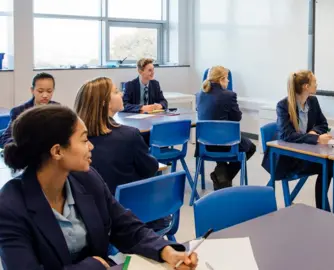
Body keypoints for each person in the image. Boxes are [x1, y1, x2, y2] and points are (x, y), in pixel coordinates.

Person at [0, 105, 198, 269]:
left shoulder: (87, 178)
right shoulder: (10, 205)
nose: (91, 146)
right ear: (57, 151)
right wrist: (92, 266)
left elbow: (125, 226)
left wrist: (165, 250)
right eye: (84, 140)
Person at [261, 70, 334, 212]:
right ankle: (332, 204)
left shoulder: (313, 101)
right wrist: (316, 138)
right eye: (314, 82)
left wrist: (314, 132)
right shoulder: (283, 106)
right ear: (306, 86)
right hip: (288, 160)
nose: (317, 84)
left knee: (333, 162)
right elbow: (287, 135)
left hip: (307, 153)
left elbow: (323, 124)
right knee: (329, 166)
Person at [74, 77, 158, 194]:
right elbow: (151, 168)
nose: (122, 94)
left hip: (90, 207)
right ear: (106, 103)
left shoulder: (73, 141)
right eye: (116, 91)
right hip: (127, 206)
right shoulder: (130, 136)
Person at [196, 66, 256, 190]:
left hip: (204, 144)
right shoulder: (229, 95)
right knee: (251, 147)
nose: (228, 81)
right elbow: (237, 117)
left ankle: (221, 175)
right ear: (221, 79)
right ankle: (223, 176)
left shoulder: (199, 95)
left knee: (220, 142)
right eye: (227, 78)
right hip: (226, 144)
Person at [0, 72, 58, 146]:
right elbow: (5, 138)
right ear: (32, 90)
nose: (45, 95)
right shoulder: (19, 111)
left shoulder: (57, 110)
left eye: (49, 91)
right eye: (40, 91)